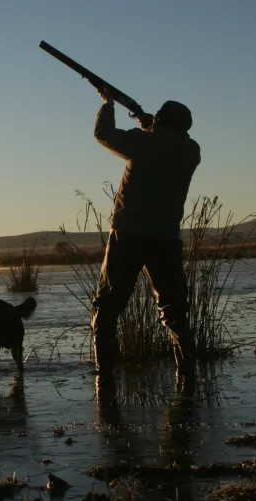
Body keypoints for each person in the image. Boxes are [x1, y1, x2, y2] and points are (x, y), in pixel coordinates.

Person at [91, 87, 201, 379]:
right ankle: (187, 377)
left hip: (127, 236)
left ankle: (105, 378)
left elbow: (103, 134)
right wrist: (151, 124)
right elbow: (166, 141)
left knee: (107, 309)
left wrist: (108, 104)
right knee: (174, 311)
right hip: (165, 239)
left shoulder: (142, 142)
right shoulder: (192, 151)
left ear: (161, 120)